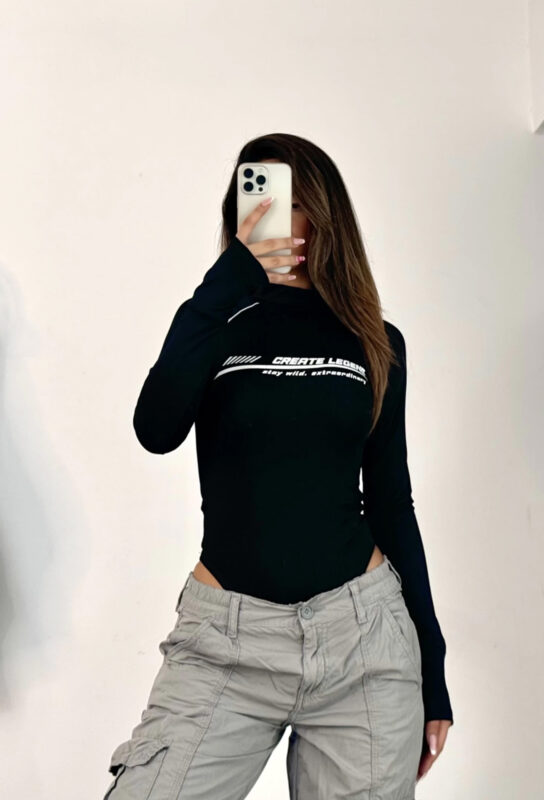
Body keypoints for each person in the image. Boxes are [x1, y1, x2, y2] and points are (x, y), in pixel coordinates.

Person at [101, 133, 453, 800]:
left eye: (285, 197)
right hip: (225, 641)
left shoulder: (376, 343)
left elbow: (390, 503)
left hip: (363, 641)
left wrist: (432, 668)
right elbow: (155, 430)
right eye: (251, 195)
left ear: (320, 212)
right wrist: (227, 281)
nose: (264, 211)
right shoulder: (215, 324)